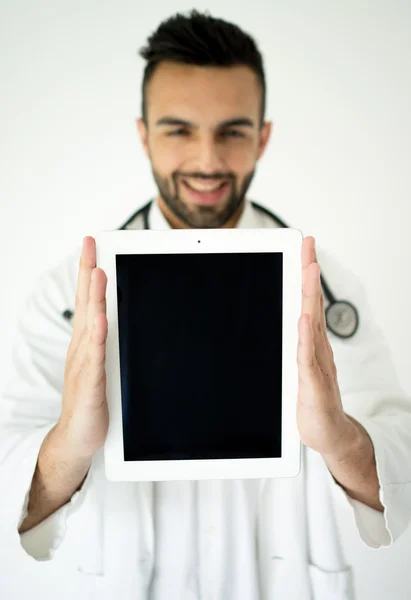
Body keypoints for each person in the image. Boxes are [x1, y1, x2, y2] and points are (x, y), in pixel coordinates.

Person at [1, 10, 411, 600]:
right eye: (178, 129)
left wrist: (339, 437)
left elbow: (396, 468)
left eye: (232, 131)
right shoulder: (67, 294)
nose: (208, 161)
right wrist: (70, 442)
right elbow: (11, 484)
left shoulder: (323, 287)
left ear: (263, 137)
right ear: (143, 133)